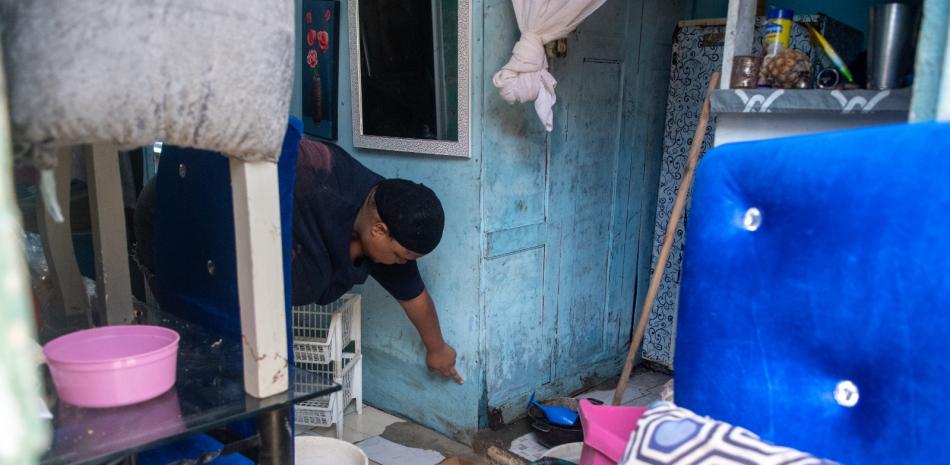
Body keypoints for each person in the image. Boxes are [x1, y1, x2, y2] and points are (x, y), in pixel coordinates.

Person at [134, 138, 462, 384]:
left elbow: (415, 298)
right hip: (180, 215)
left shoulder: (390, 228)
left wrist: (438, 350)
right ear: (379, 230)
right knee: (195, 344)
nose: (399, 263)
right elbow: (228, 166)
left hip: (237, 257)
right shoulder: (315, 170)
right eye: (400, 256)